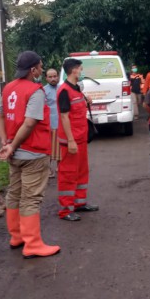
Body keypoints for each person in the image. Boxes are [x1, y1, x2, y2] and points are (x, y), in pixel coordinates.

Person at [0, 51, 60, 258]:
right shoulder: (35, 91)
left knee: (14, 193)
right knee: (31, 198)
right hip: (32, 153)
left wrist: (6, 142)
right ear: (33, 70)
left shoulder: (8, 89)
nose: (42, 70)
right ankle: (33, 244)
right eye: (40, 67)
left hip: (14, 154)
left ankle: (17, 237)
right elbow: (30, 122)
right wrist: (12, 145)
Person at [56, 58, 99, 221]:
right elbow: (64, 117)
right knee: (68, 174)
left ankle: (79, 203)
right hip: (70, 141)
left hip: (80, 138)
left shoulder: (76, 89)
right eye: (80, 69)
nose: (82, 72)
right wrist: (71, 140)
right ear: (74, 70)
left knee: (82, 172)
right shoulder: (64, 91)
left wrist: (86, 100)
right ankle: (66, 210)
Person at [44, 68, 60, 178]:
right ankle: (48, 169)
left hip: (62, 123)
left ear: (58, 77)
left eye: (55, 76)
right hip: (49, 124)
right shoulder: (43, 90)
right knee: (48, 147)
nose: (53, 79)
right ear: (46, 78)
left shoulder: (63, 88)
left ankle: (60, 167)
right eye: (50, 77)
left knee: (61, 147)